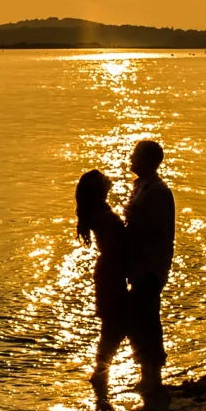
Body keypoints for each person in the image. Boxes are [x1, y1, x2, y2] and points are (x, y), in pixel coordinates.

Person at [121, 139, 175, 398]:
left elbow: (158, 232)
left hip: (151, 266)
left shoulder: (158, 192)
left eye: (136, 155)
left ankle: (153, 377)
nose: (131, 159)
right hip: (139, 264)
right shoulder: (141, 186)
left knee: (145, 319)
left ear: (147, 160)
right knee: (139, 318)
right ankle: (148, 375)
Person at [75, 169, 126, 395]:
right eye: (104, 179)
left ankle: (101, 373)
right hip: (111, 272)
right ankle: (100, 373)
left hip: (109, 270)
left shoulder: (99, 210)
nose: (109, 179)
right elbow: (116, 245)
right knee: (114, 325)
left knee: (114, 325)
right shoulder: (102, 214)